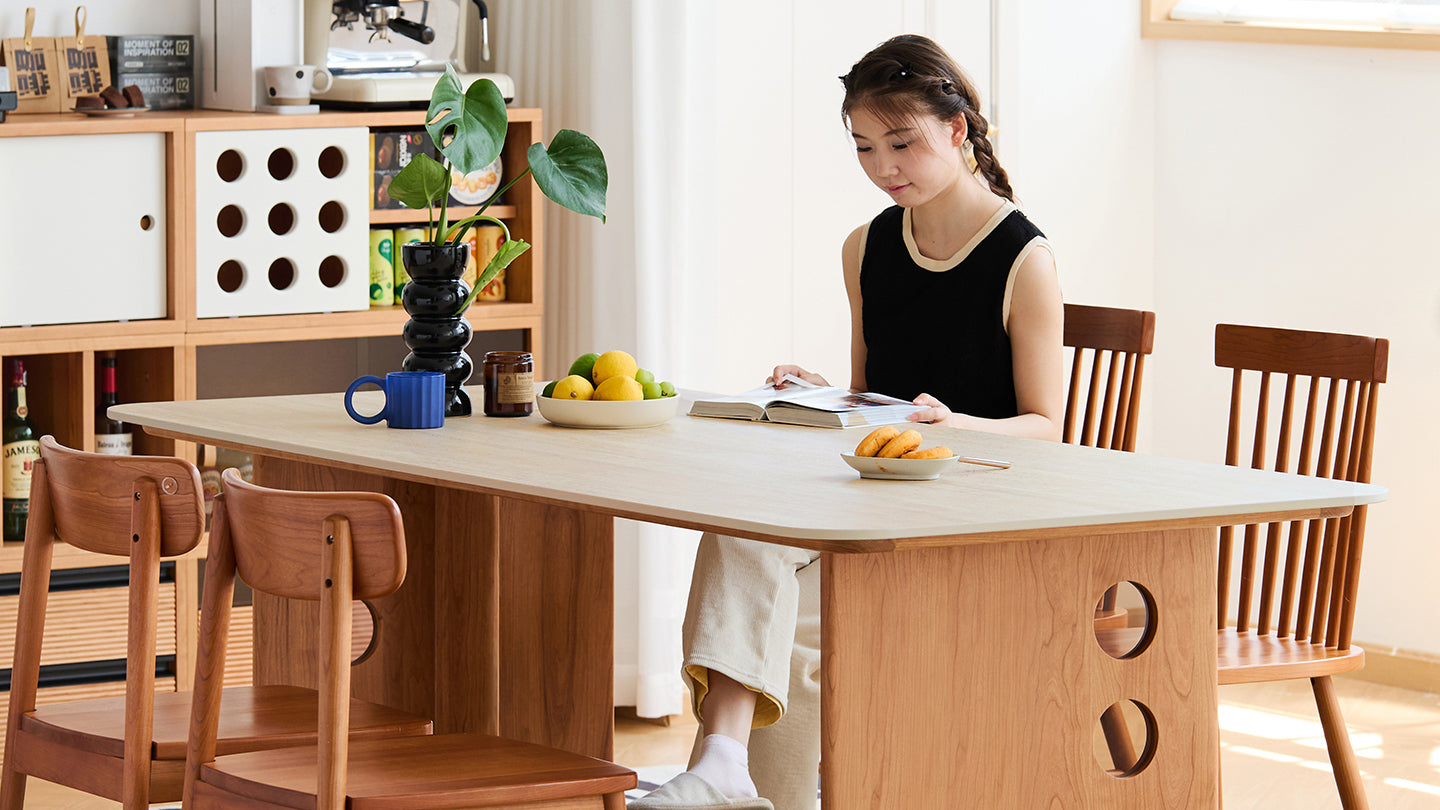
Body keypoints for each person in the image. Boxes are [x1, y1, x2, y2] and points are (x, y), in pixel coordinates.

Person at [630, 34, 1064, 810]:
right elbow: (873, 394)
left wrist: (955, 424)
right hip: (870, 497)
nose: (883, 166)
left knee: (792, 623)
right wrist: (827, 393)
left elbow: (1046, 426)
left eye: (901, 143)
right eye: (864, 147)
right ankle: (726, 769)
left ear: (956, 130)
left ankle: (724, 773)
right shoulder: (866, 246)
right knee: (748, 536)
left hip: (973, 512)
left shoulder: (1022, 258)